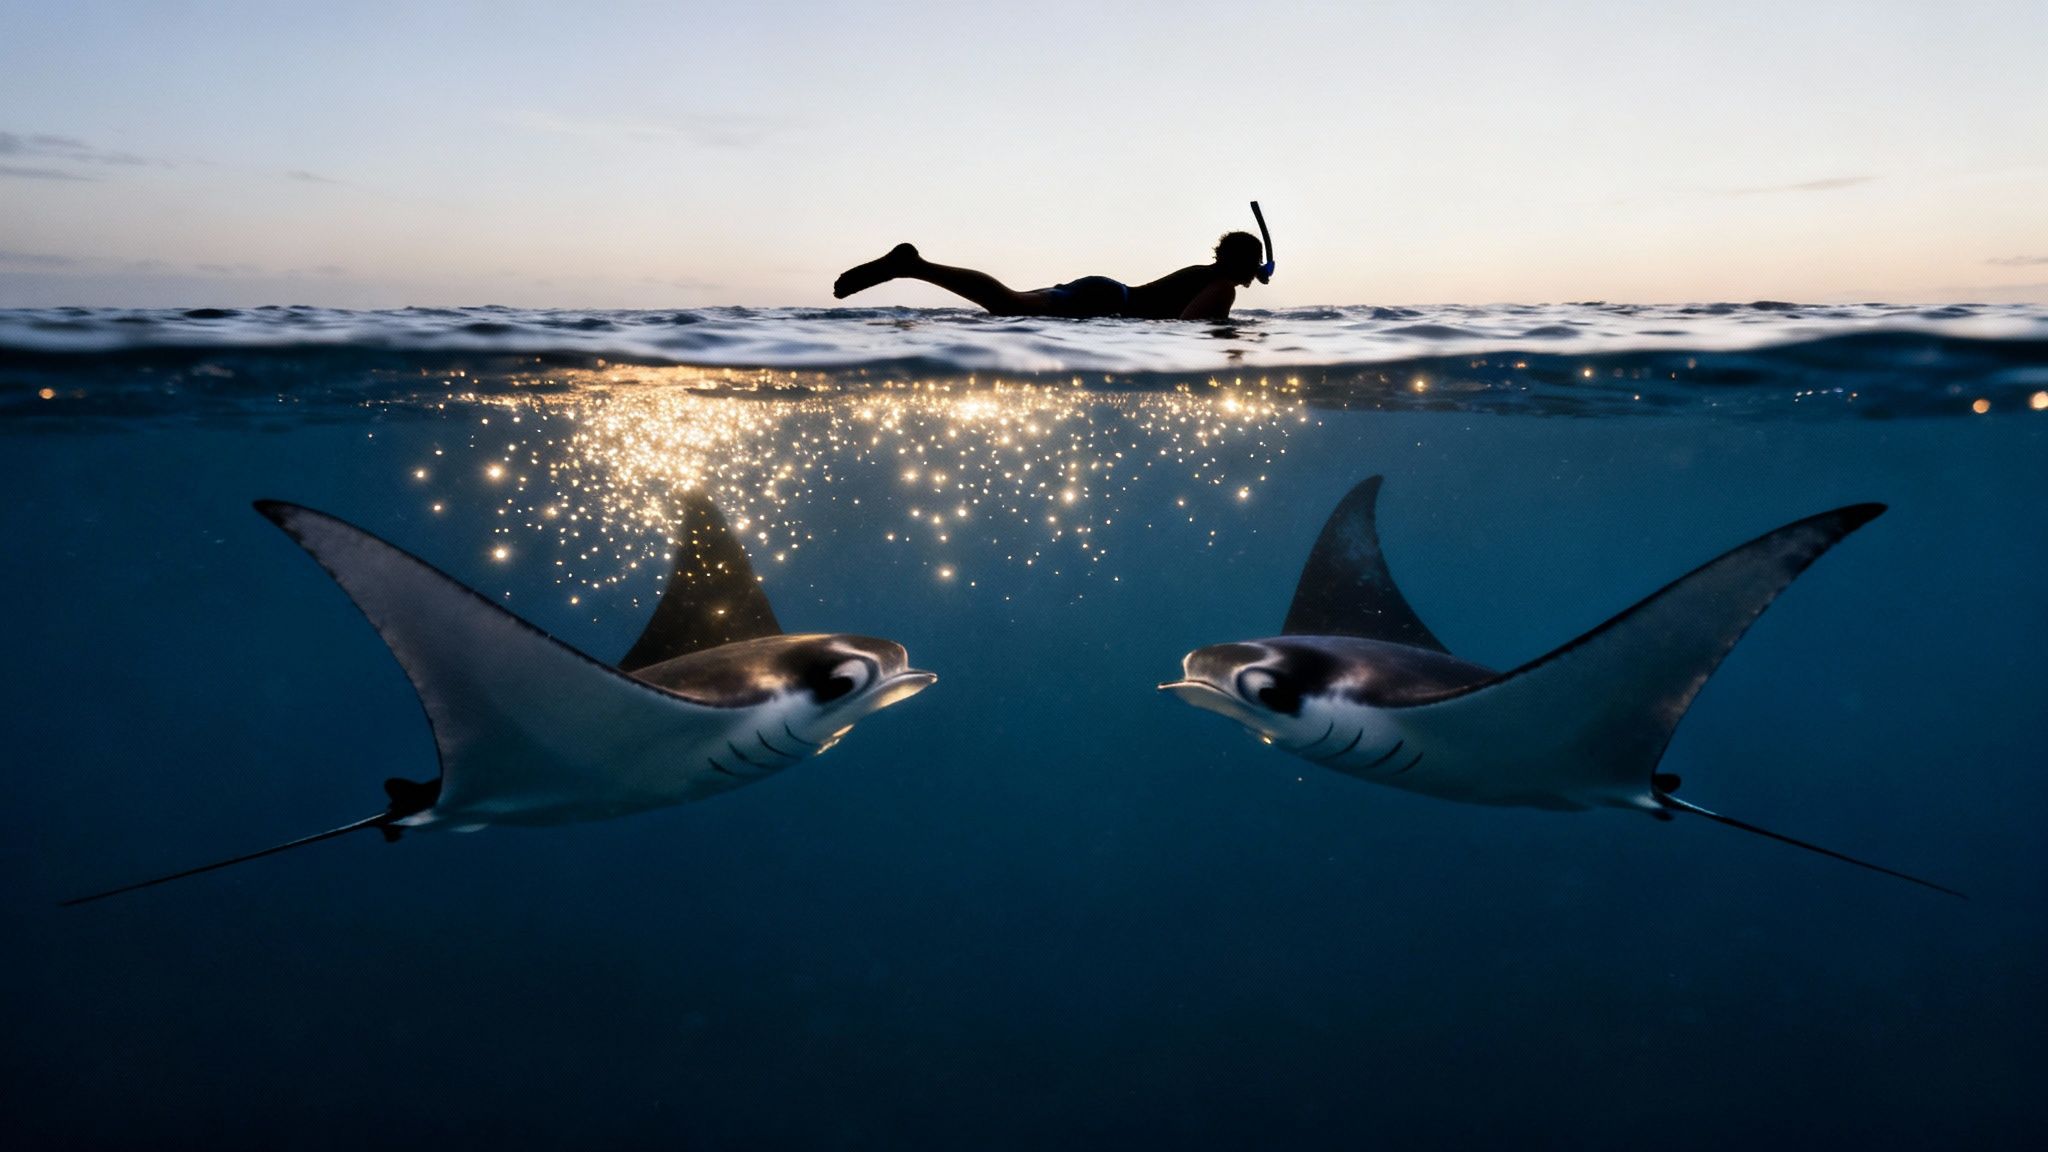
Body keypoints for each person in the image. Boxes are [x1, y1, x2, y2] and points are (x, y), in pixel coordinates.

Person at [832, 231, 1266, 321]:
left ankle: (915, 267)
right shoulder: (1221, 287)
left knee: (1009, 303)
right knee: (1006, 305)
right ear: (1247, 264)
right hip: (1103, 302)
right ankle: (914, 266)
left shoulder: (1205, 273)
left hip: (1103, 293)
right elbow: (1190, 324)